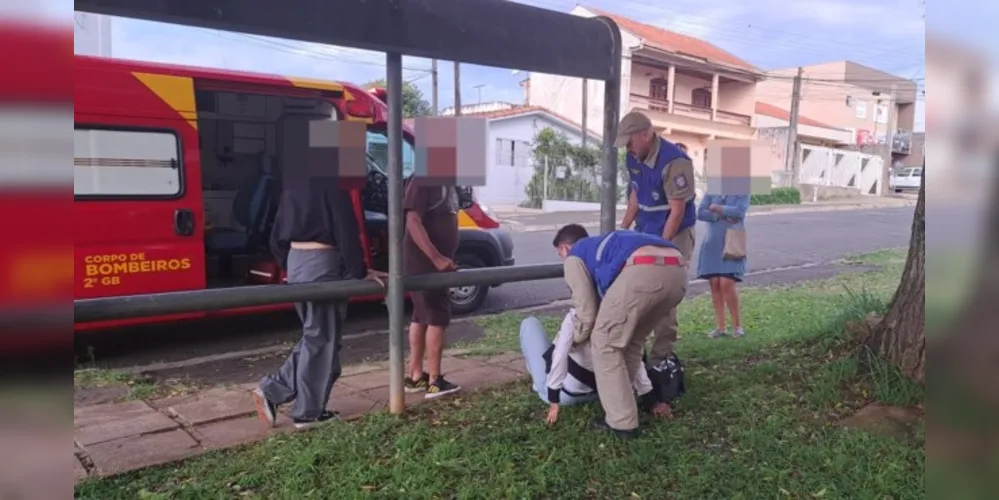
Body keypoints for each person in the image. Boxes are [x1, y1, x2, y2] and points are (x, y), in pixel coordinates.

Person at [254, 178, 386, 429]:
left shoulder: (293, 186)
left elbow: (275, 236)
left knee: (316, 334)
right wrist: (359, 270)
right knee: (322, 338)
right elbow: (347, 230)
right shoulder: (332, 186)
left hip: (296, 261)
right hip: (322, 261)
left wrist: (290, 265)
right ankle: (305, 412)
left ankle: (276, 390)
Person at [554, 223, 688, 438]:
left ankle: (622, 423)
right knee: (632, 341)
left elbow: (586, 313)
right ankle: (628, 401)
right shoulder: (606, 248)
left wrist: (575, 340)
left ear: (564, 248)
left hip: (643, 271)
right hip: (678, 271)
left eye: (559, 254)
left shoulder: (574, 257)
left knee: (605, 342)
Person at [615, 111, 697, 370]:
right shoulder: (632, 156)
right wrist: (623, 231)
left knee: (665, 292)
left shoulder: (676, 162)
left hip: (675, 233)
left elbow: (677, 211)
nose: (627, 148)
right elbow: (636, 196)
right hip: (645, 231)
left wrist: (662, 248)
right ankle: (634, 352)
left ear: (646, 134)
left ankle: (661, 357)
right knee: (639, 289)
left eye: (630, 142)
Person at [518, 311, 674, 426]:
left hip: (568, 394)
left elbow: (559, 356)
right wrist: (652, 400)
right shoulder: (622, 318)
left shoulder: (576, 316)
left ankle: (539, 386)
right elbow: (634, 359)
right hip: (604, 395)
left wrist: (553, 400)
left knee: (529, 323)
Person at [403, 178, 462, 398]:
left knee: (421, 316)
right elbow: (412, 220)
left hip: (432, 266)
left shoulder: (445, 180)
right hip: (426, 266)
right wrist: (436, 258)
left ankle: (416, 375)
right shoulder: (424, 179)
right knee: (437, 317)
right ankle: (435, 381)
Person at [697, 194, 750, 338]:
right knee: (714, 283)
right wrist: (721, 215)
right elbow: (700, 212)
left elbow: (739, 212)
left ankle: (737, 326)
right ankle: (720, 327)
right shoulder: (712, 191)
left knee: (726, 283)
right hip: (712, 242)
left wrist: (718, 208)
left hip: (731, 242)